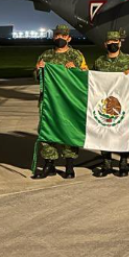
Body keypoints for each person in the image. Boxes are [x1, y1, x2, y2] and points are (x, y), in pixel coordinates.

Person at [32, 24, 88, 179]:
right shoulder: (46, 56)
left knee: (68, 130)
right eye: (57, 35)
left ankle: (69, 165)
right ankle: (49, 164)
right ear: (53, 37)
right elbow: (37, 77)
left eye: (63, 36)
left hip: (69, 101)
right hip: (48, 101)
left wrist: (76, 69)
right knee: (47, 130)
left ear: (69, 38)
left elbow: (85, 76)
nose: (60, 38)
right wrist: (38, 69)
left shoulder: (76, 55)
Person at [92, 30, 129, 178]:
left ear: (120, 43)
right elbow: (93, 81)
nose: (112, 44)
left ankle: (123, 163)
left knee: (122, 133)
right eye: (109, 42)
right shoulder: (99, 62)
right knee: (104, 133)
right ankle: (107, 164)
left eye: (115, 42)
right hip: (104, 103)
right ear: (105, 44)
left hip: (123, 104)